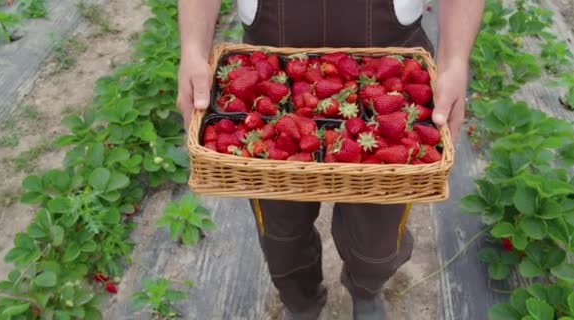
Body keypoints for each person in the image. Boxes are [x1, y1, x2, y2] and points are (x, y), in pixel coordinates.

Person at [176, 1, 484, 319]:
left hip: (389, 54)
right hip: (271, 56)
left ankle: (367, 290)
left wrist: (454, 61)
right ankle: (301, 303)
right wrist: (193, 50)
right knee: (282, 234)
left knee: (377, 241)